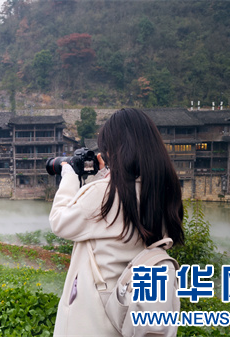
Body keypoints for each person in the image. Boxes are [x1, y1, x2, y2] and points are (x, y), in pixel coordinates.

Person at [49, 108, 184, 336]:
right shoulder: (164, 194)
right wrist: (103, 178)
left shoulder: (105, 195)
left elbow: (59, 221)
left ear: (119, 150)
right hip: (125, 320)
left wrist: (70, 176)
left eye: (108, 148)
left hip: (92, 322)